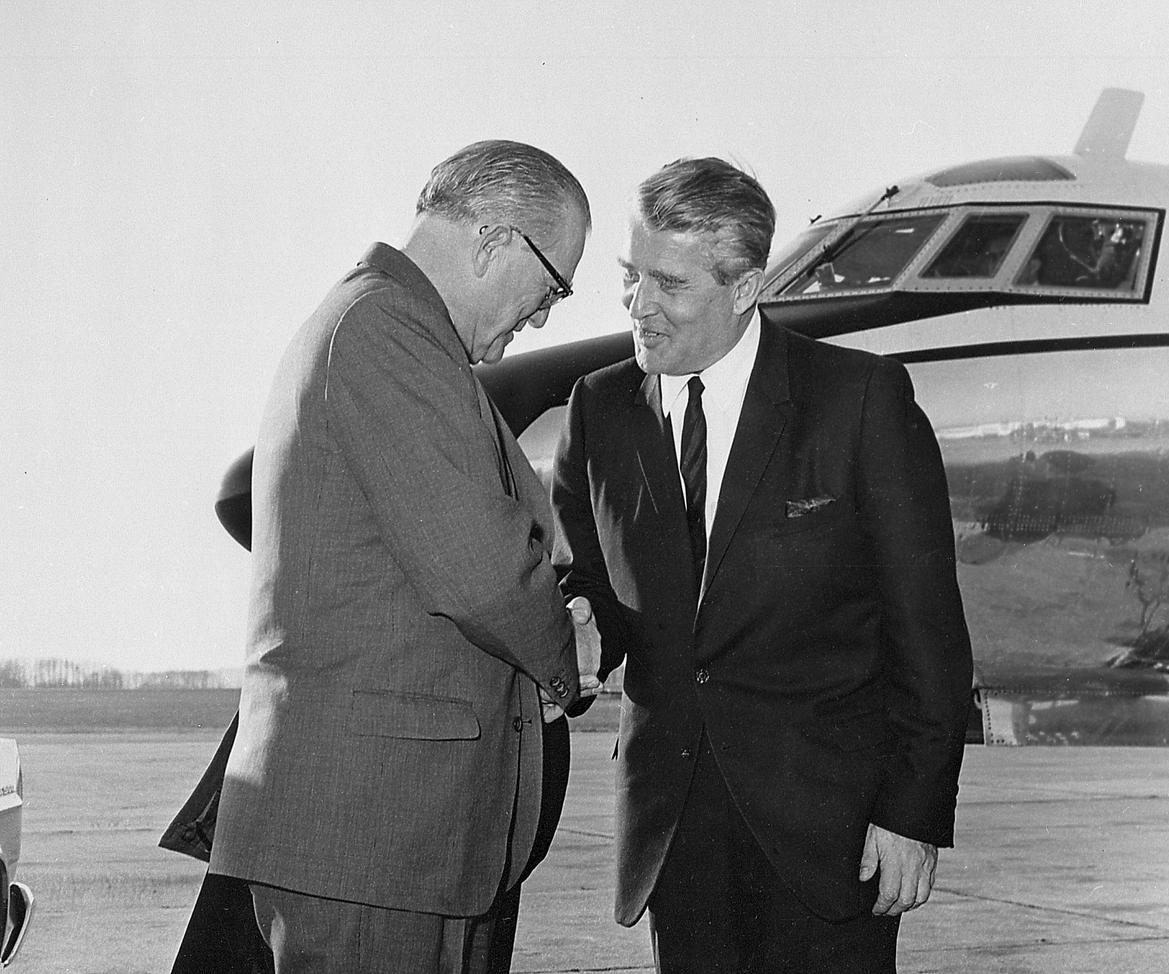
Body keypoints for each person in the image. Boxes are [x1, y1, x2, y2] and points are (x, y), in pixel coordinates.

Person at [551, 158, 974, 973]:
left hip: (831, 835)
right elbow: (590, 583)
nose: (638, 306)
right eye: (631, 275)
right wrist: (581, 628)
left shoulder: (858, 399)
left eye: (669, 284)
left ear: (745, 288)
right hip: (674, 834)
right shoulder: (598, 408)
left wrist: (913, 814)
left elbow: (928, 630)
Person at [208, 139, 596, 974]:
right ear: (494, 241)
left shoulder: (381, 323)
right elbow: (481, 572)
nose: (542, 318)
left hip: (389, 845)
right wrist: (571, 650)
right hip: (373, 846)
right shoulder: (387, 330)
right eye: (552, 287)